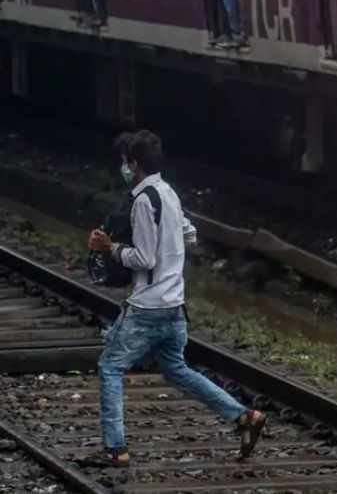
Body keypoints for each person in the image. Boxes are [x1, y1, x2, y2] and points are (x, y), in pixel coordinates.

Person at [84, 130, 267, 468]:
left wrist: (110, 248)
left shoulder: (142, 200)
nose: (123, 168)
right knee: (176, 369)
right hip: (174, 305)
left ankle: (115, 449)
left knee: (110, 366)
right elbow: (191, 236)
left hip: (148, 307)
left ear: (134, 164)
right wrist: (170, 256)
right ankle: (244, 417)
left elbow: (143, 260)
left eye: (125, 163)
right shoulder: (168, 193)